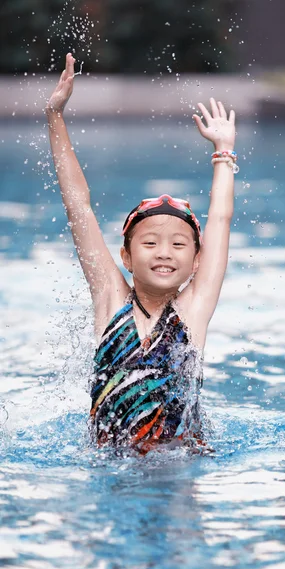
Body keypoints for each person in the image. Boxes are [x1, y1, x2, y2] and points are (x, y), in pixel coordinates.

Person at [46, 53, 238, 453]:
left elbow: (219, 221)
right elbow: (78, 206)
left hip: (179, 464)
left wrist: (223, 152)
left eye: (178, 244)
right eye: (149, 243)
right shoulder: (110, 297)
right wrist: (55, 118)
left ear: (197, 260)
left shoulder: (194, 309)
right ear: (127, 257)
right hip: (109, 464)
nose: (164, 253)